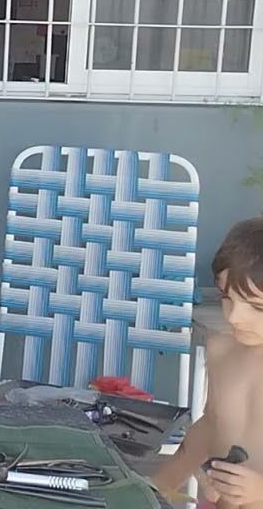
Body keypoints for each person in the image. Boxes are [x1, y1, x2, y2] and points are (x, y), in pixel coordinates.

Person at [150, 217, 263, 508]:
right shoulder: (222, 352)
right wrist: (156, 489)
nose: (234, 317)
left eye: (256, 306)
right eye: (227, 297)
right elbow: (211, 425)